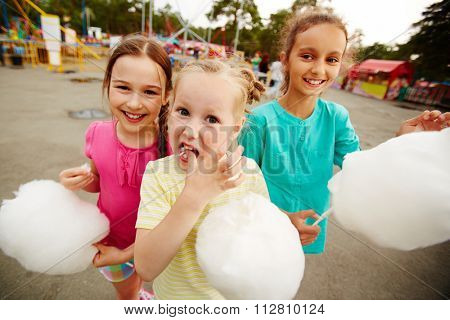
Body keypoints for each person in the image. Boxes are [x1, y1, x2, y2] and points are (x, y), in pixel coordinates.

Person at [239, 9, 450, 254]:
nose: (319, 69)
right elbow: (243, 186)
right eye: (308, 56)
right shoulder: (259, 120)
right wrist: (282, 217)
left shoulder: (337, 117)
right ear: (285, 60)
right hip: (261, 229)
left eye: (331, 59)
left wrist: (402, 143)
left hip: (307, 230)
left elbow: (359, 169)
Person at [134, 60, 268, 299]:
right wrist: (194, 197)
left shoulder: (249, 175)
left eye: (212, 119)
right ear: (169, 112)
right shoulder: (158, 175)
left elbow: (263, 239)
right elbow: (145, 267)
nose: (192, 130)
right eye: (183, 112)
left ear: (235, 129)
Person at [59, 35, 172, 299]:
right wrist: (79, 181)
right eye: (123, 87)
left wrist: (131, 252)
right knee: (128, 297)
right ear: (107, 85)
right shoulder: (96, 133)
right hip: (112, 243)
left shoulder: (172, 146)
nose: (134, 103)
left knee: (166, 294)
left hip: (158, 246)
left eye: (150, 91)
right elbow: (99, 180)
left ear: (167, 96)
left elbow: (177, 214)